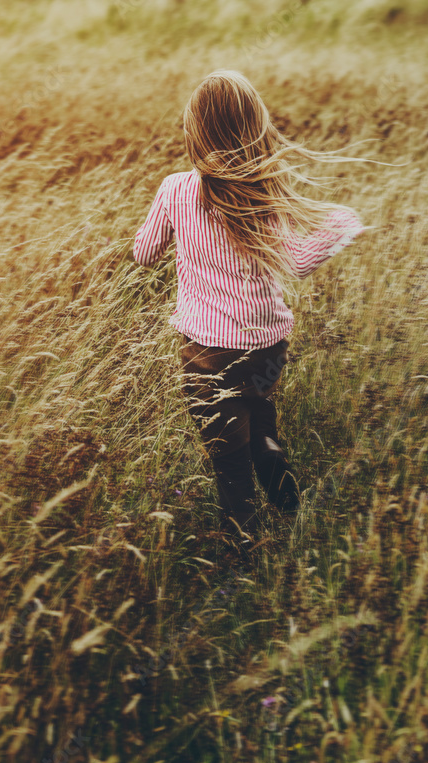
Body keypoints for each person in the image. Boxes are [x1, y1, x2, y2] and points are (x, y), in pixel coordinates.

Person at [133, 69, 372, 554]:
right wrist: (346, 220)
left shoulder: (176, 190)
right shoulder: (266, 188)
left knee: (230, 464)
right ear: (254, 126)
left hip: (206, 353)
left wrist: (171, 237)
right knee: (262, 428)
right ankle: (293, 516)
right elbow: (300, 261)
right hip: (267, 348)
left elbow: (143, 252)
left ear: (195, 131)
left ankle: (243, 560)